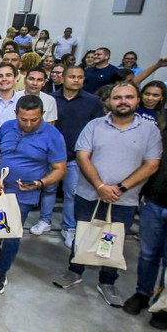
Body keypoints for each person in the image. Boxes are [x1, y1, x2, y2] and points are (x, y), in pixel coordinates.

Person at [53, 82, 161, 307]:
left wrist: (120, 188)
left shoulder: (149, 130)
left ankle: (108, 281)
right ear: (109, 101)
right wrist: (100, 186)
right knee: (83, 233)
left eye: (128, 97)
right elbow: (82, 156)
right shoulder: (95, 126)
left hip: (125, 198)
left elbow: (151, 164)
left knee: (114, 239)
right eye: (118, 97)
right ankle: (75, 270)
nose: (123, 101)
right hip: (89, 192)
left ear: (137, 100)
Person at [0, 95, 67, 294]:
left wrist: (40, 183)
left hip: (23, 193)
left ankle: (1, 271)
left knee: (11, 234)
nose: (28, 124)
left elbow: (60, 169)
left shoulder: (53, 135)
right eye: (23, 119)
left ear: (42, 115)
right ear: (16, 114)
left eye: (34, 120)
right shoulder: (7, 127)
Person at [32, 66, 106, 247]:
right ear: (62, 78)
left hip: (76, 156)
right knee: (49, 189)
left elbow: (98, 128)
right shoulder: (50, 100)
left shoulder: (92, 101)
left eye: (80, 77)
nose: (76, 80)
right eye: (72, 76)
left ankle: (69, 227)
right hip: (51, 155)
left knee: (71, 193)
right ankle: (45, 220)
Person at [122, 119, 167, 329]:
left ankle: (163, 306)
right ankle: (142, 294)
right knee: (148, 255)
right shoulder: (160, 134)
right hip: (154, 202)